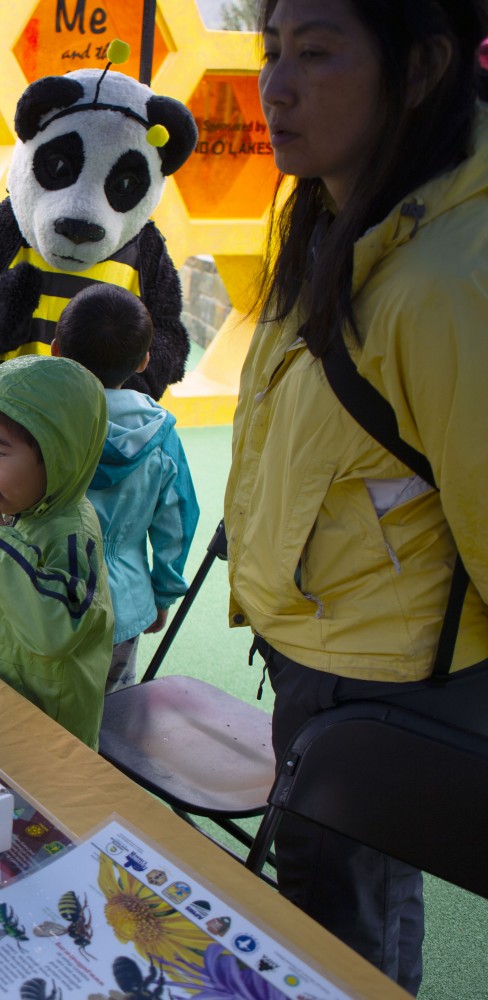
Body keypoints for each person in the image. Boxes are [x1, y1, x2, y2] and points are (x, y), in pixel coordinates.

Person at [227, 1, 488, 991]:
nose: (276, 86)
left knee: (334, 940)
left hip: (378, 681)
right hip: (322, 654)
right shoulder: (336, 214)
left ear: (417, 68)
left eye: (318, 52)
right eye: (271, 52)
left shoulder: (448, 280)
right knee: (359, 906)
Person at [0, 356, 113, 748]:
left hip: (44, 731)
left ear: (59, 457)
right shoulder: (21, 510)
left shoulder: (72, 535)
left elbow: (52, 631)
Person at [50, 284, 198, 692]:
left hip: (37, 592)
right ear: (145, 360)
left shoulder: (37, 419)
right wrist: (163, 593)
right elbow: (178, 521)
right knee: (109, 719)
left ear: (56, 349)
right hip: (123, 604)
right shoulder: (160, 433)